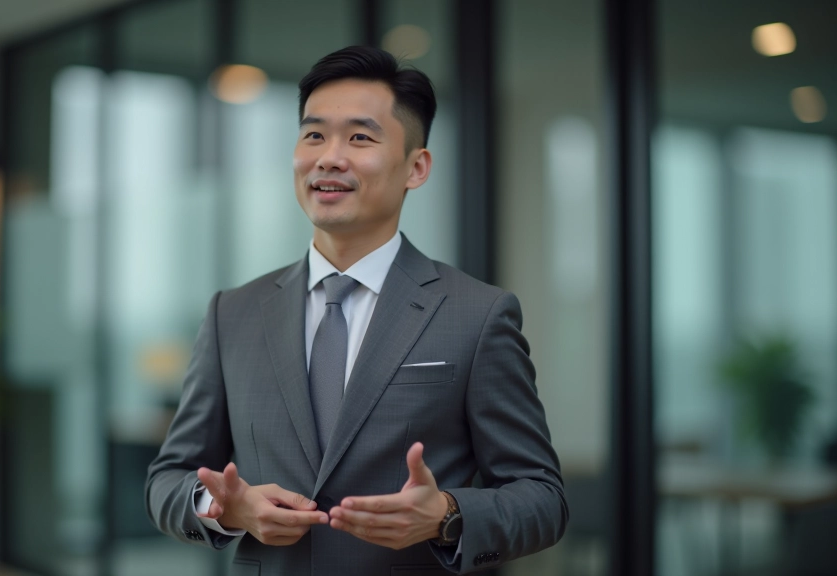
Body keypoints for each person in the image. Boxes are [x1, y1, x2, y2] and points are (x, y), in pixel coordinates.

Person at [145, 45, 567, 575]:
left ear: (417, 167)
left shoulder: (478, 314)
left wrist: (447, 515)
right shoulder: (233, 312)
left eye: (360, 137)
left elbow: (543, 498)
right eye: (314, 134)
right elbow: (169, 476)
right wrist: (222, 508)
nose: (328, 157)